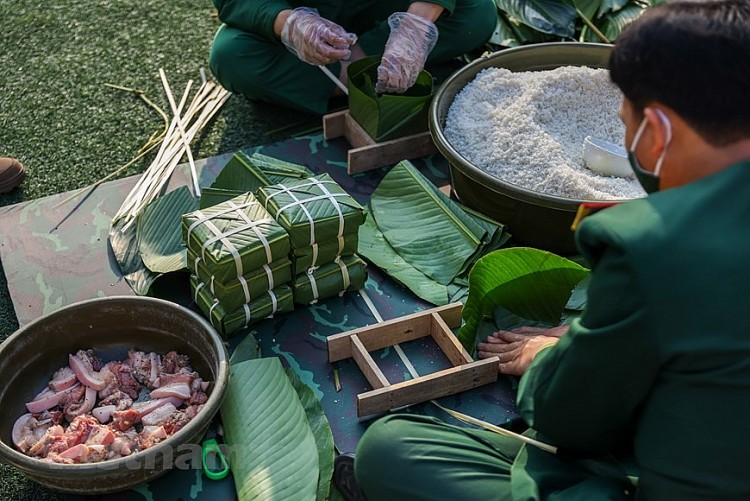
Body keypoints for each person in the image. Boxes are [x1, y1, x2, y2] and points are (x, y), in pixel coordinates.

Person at [345, 1, 750, 499]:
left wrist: (546, 358)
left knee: (391, 449)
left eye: (626, 124)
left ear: (659, 131)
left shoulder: (655, 247)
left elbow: (569, 420)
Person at [208, 1, 497, 115]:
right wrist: (287, 23)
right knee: (231, 56)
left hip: (380, 6)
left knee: (476, 13)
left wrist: (414, 28)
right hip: (298, 6)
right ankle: (365, 73)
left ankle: (361, 68)